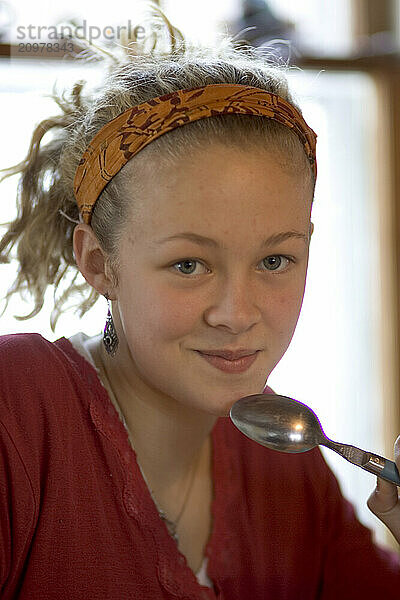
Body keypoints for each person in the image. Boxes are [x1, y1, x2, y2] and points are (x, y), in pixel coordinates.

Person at [0, 6, 399, 600]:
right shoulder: (18, 412)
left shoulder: (289, 470)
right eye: (189, 265)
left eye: (274, 261)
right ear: (98, 263)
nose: (236, 314)